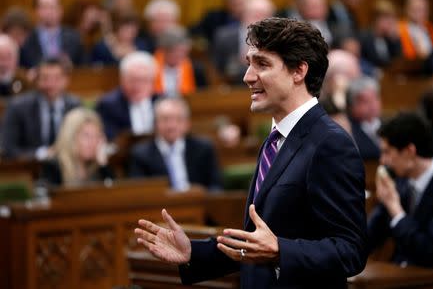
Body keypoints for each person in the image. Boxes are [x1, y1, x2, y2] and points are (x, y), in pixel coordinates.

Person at [135, 18, 367, 288]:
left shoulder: (331, 144)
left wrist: (281, 250)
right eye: (249, 63)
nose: (248, 76)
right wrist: (194, 253)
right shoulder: (275, 139)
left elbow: (351, 251)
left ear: (298, 71)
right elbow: (257, 242)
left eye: (263, 64)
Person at [367, 112, 433, 288]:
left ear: (410, 151)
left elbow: (427, 250)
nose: (383, 161)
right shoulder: (400, 183)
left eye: (387, 152)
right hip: (399, 278)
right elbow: (368, 238)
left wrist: (396, 211)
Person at [128, 97, 222, 191]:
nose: (171, 126)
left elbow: (216, 186)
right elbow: (140, 192)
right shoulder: (141, 154)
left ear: (187, 124)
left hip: (197, 202)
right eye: (165, 119)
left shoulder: (203, 148)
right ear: (155, 123)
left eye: (178, 119)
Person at [1, 58, 81, 160]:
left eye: (57, 78)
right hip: (30, 168)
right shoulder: (17, 107)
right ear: (37, 80)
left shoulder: (75, 106)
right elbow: (8, 148)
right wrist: (41, 154)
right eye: (45, 78)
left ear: (66, 80)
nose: (51, 84)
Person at [40, 108, 114, 187]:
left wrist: (103, 165)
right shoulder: (53, 166)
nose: (93, 142)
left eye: (97, 136)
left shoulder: (98, 166)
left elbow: (113, 194)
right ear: (70, 137)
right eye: (86, 136)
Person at [212, 0, 275, 84]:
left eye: (264, 15)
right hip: (232, 88)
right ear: (244, 14)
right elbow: (216, 70)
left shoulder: (278, 40)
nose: (260, 20)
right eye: (255, 14)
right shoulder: (224, 37)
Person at [95, 51, 158, 141]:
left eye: (144, 80)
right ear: (122, 80)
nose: (138, 86)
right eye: (133, 80)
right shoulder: (108, 105)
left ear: (153, 81)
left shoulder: (162, 102)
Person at [19, 0, 84, 68]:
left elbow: (85, 68)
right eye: (44, 7)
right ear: (36, 11)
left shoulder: (74, 37)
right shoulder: (26, 38)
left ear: (61, 10)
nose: (49, 12)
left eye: (53, 7)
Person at [398, 0, 433, 73]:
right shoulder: (399, 29)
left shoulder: (430, 27)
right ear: (406, 9)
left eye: (424, 9)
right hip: (413, 71)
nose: (422, 13)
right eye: (417, 9)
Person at [153, 26, 206, 97]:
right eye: (175, 51)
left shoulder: (196, 69)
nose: (180, 55)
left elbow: (201, 97)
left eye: (183, 52)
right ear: (164, 51)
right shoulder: (151, 67)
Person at [346, 76, 382, 160]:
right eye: (366, 101)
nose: (372, 105)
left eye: (375, 98)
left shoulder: (389, 125)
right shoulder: (348, 130)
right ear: (352, 106)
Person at [359, 0, 402, 68]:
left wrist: (395, 40)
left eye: (393, 18)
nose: (391, 21)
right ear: (376, 19)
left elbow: (398, 62)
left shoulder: (389, 38)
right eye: (387, 17)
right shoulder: (364, 37)